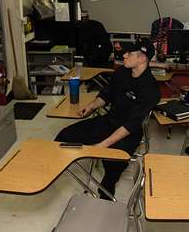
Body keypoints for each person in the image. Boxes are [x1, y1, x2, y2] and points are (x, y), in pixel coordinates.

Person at [55, 39, 160, 199]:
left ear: (142, 58)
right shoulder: (122, 72)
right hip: (109, 121)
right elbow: (106, 95)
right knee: (64, 136)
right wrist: (91, 106)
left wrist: (102, 145)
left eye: (129, 53)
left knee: (112, 162)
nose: (124, 55)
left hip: (128, 133)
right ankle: (48, 170)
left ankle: (106, 191)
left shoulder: (150, 88)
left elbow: (131, 125)